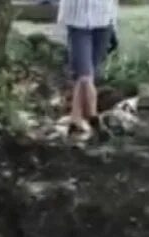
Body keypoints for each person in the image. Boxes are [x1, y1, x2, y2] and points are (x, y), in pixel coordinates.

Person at [57, 0, 118, 140]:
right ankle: (93, 117)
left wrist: (114, 26)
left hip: (104, 19)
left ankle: (75, 118)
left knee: (87, 74)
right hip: (77, 20)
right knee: (85, 74)